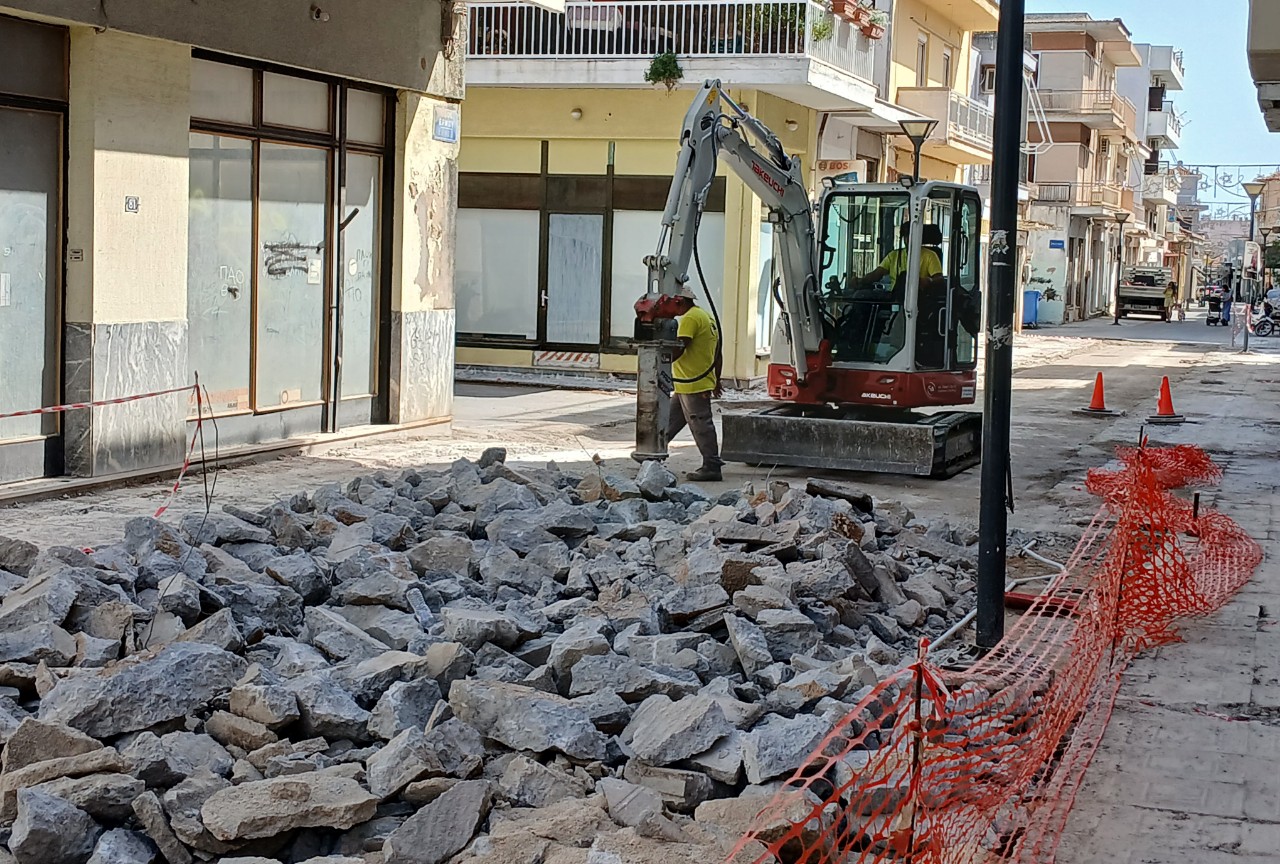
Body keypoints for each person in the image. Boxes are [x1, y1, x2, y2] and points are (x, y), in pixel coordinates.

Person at [667, 285, 724, 482]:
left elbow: (681, 346)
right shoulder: (705, 317)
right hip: (689, 383)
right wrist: (716, 379)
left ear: (680, 302)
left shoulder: (690, 318)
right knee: (668, 422)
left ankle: (712, 466)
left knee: (701, 425)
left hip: (694, 384)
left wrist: (659, 364)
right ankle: (652, 457)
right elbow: (719, 352)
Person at [856, 222, 945, 291]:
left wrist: (927, 281)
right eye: (906, 235)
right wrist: (860, 281)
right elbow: (877, 274)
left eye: (912, 235)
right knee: (861, 295)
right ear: (903, 238)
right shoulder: (894, 255)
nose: (909, 239)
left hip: (919, 297)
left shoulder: (930, 256)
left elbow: (939, 279)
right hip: (894, 297)